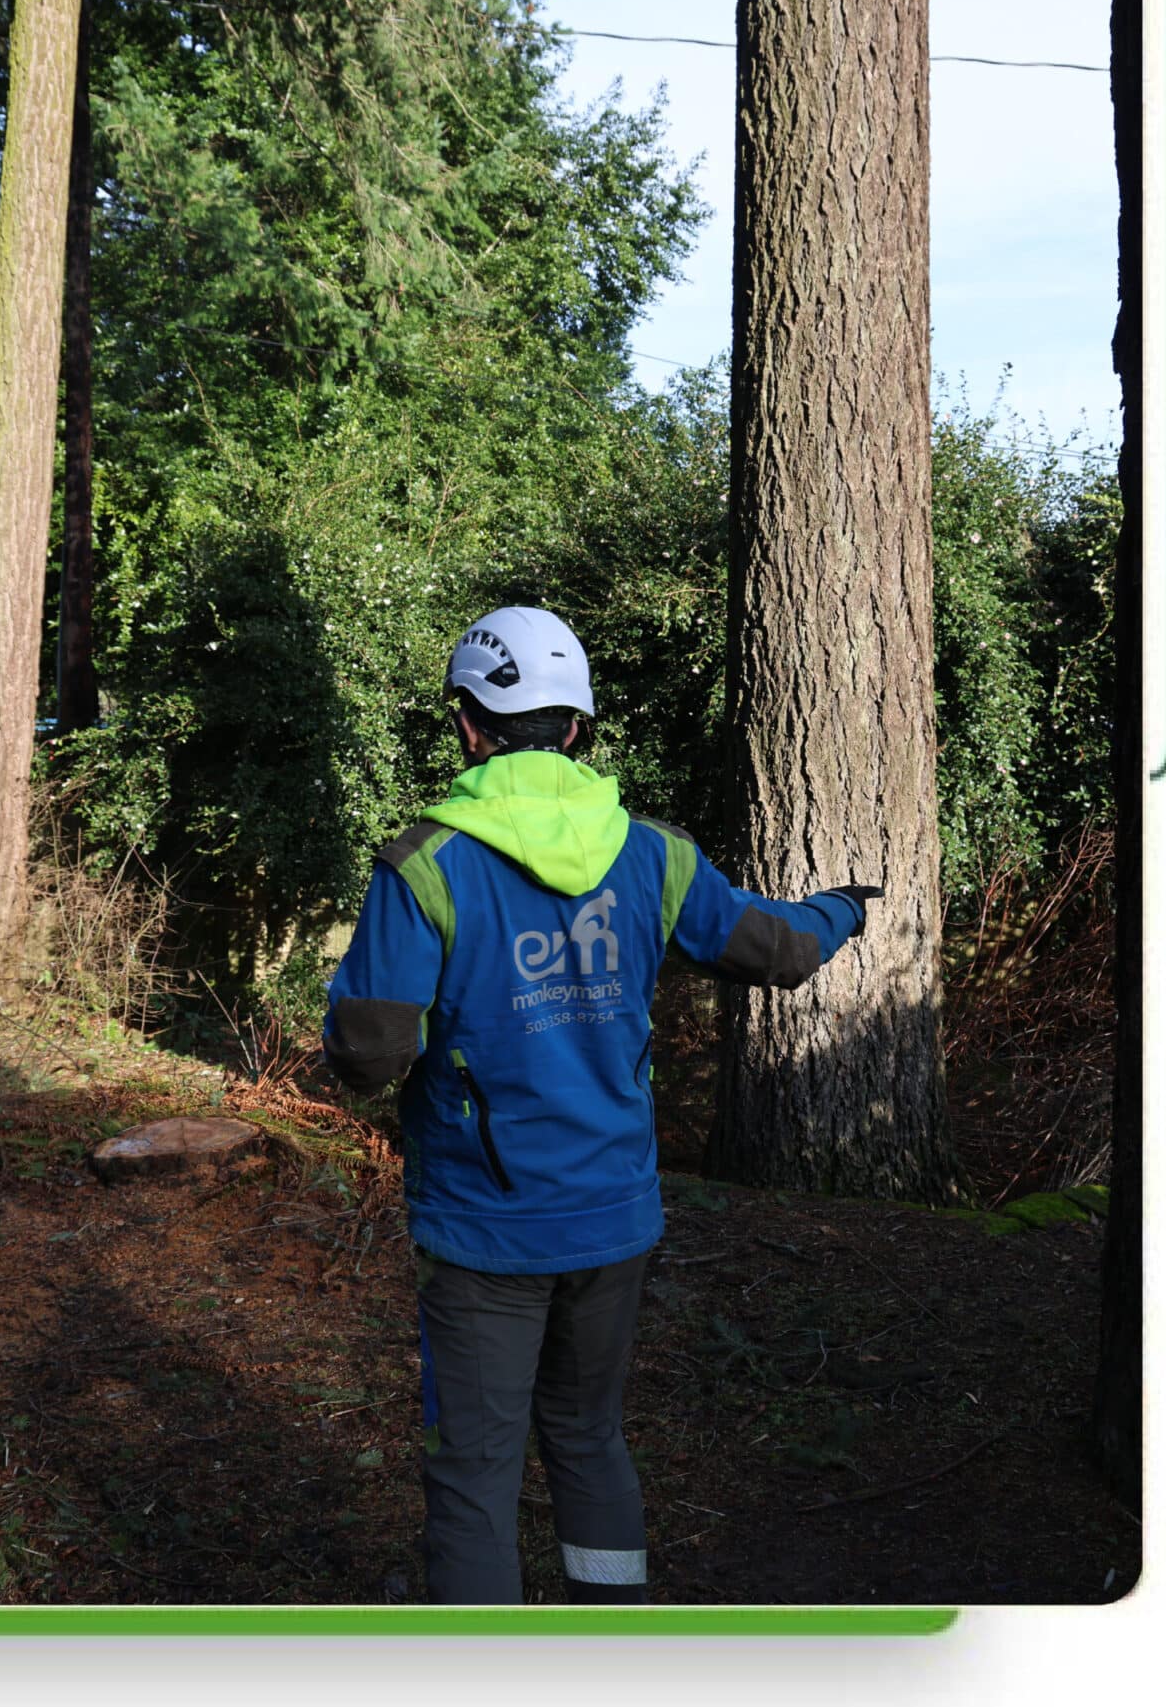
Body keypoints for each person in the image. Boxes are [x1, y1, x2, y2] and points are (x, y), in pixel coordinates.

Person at [321, 605, 879, 1606]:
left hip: (484, 1228)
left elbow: (369, 1054)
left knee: (475, 1471)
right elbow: (781, 949)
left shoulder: (423, 867)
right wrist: (842, 906)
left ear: (465, 725)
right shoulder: (654, 858)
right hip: (614, 1219)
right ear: (576, 728)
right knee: (586, 1437)